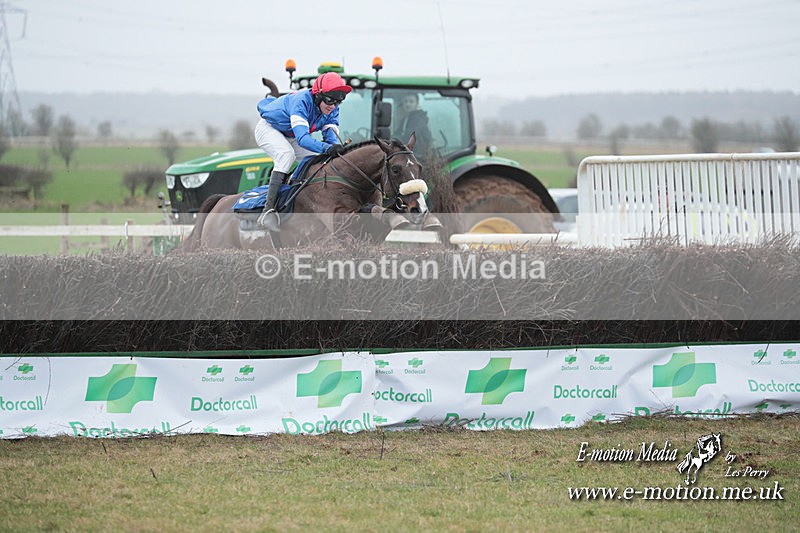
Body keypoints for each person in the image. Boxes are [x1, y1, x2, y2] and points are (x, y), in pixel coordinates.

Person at [253, 72, 351, 231]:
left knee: (320, 159)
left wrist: (335, 150)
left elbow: (331, 139)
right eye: (330, 100)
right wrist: (328, 148)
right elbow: (303, 139)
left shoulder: (332, 109)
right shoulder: (302, 101)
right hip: (269, 129)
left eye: (338, 101)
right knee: (286, 155)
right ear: (318, 95)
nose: (333, 105)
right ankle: (268, 212)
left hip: (290, 135)